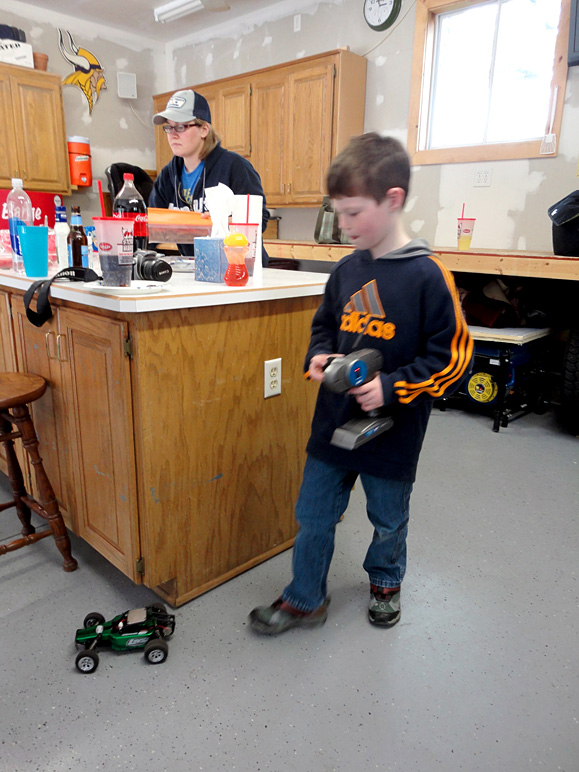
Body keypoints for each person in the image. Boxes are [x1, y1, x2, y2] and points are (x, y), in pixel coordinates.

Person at [249, 133, 473, 635]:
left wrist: (391, 387)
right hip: (332, 427)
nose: (342, 225)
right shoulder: (347, 269)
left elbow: (454, 359)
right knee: (313, 515)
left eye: (352, 213)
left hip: (392, 434)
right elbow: (324, 325)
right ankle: (305, 598)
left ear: (392, 200)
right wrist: (318, 356)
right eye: (338, 212)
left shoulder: (427, 275)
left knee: (388, 519)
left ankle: (386, 584)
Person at [149, 89, 269, 263]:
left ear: (204, 129)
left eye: (181, 127)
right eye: (168, 127)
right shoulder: (168, 176)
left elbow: (259, 219)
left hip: (241, 270)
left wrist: (220, 221)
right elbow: (152, 227)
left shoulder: (234, 167)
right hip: (198, 269)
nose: (173, 134)